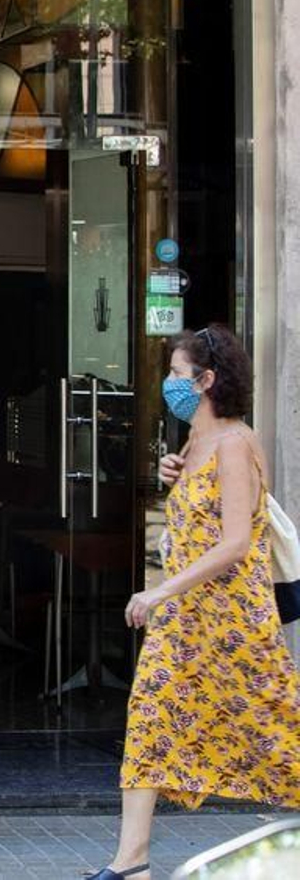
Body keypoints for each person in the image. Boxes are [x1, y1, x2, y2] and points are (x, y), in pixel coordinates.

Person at [87, 325, 300, 880]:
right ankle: (130, 862)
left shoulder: (234, 443)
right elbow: (196, 522)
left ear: (207, 380)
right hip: (187, 622)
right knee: (151, 718)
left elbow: (234, 543)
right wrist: (172, 477)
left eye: (179, 375)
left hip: (233, 621)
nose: (170, 385)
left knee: (275, 734)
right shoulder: (193, 442)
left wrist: (159, 589)